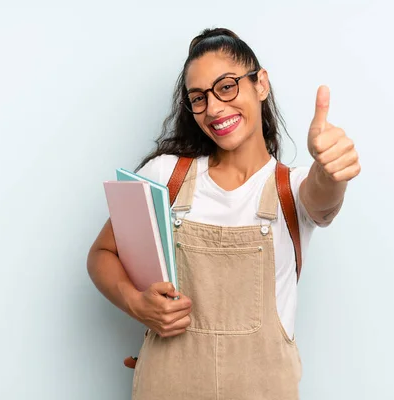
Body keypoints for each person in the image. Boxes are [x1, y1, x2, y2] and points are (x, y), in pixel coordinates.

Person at [87, 27, 360, 400]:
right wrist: (136, 304)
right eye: (198, 98)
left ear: (260, 84)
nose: (214, 108)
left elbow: (323, 200)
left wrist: (330, 170)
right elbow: (102, 254)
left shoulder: (292, 189)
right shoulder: (166, 177)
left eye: (227, 86)